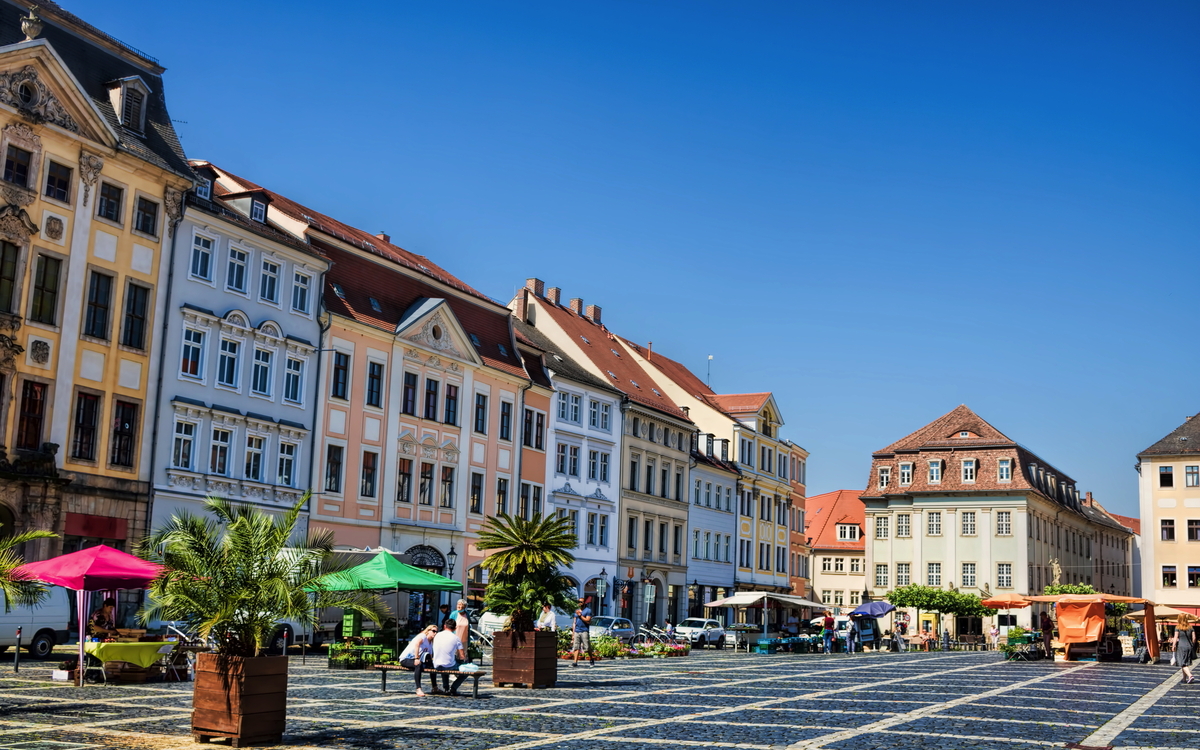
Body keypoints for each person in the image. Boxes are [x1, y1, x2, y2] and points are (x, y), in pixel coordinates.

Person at [398, 625, 439, 696]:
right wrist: (416, 658)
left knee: (432, 665)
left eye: (436, 632)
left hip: (417, 659)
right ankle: (418, 688)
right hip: (406, 659)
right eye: (433, 631)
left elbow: (430, 655)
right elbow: (417, 644)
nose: (435, 633)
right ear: (428, 631)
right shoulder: (423, 636)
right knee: (418, 665)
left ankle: (435, 687)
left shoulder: (430, 642)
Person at [432, 619, 467, 695]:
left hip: (436, 664)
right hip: (448, 665)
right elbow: (462, 656)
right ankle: (454, 687)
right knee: (465, 671)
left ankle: (446, 687)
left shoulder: (437, 635)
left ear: (444, 626)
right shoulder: (456, 638)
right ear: (455, 628)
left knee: (444, 662)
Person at [1169, 615, 1195, 684]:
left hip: (1181, 646)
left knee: (1182, 663)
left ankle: (1190, 676)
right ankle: (1184, 679)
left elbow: (1175, 637)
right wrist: (1192, 644)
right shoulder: (1191, 627)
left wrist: (1173, 645)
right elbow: (1194, 638)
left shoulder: (1178, 627)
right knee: (1185, 662)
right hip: (1189, 646)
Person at [572, 595, 595, 666]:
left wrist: (580, 615)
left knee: (587, 647)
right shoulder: (576, 610)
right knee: (576, 647)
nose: (579, 603)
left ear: (584, 602)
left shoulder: (588, 610)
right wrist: (573, 633)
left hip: (584, 630)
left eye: (581, 602)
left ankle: (591, 659)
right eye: (578, 602)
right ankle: (575, 662)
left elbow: (588, 620)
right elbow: (574, 622)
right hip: (577, 630)